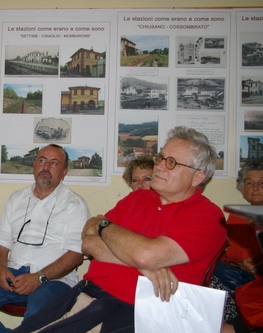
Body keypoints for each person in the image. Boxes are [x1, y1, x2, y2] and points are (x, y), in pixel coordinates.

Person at [13, 126, 226, 333]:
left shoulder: (208, 216)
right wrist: (142, 265)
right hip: (88, 295)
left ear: (197, 177)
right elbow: (88, 242)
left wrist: (102, 224)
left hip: (141, 313)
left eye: (171, 162)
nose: (159, 166)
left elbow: (146, 254)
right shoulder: (138, 198)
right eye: (160, 157)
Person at [0, 144, 90, 333]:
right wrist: (0, 269)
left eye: (54, 163)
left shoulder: (75, 204)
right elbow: (0, 243)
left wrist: (39, 278)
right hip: (13, 272)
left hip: (54, 280)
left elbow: (76, 255)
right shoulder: (16, 199)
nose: (46, 167)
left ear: (64, 171)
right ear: (34, 164)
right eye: (42, 160)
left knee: (36, 319)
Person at [213, 159, 263, 332]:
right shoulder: (236, 216)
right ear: (242, 189)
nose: (255, 188)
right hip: (235, 281)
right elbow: (220, 252)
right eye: (249, 183)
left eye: (262, 182)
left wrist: (244, 257)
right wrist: (240, 262)